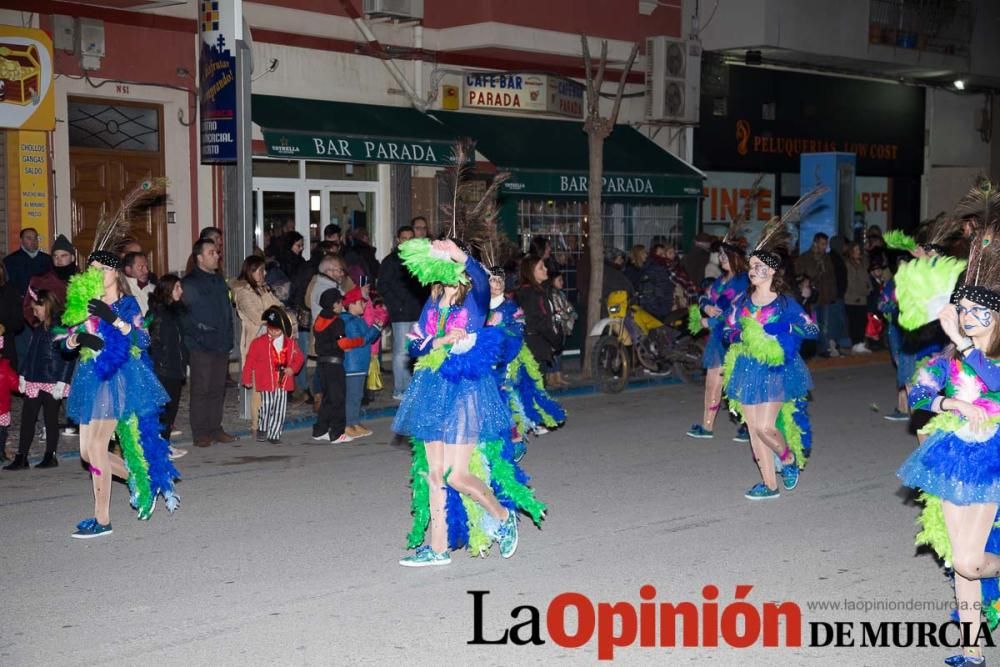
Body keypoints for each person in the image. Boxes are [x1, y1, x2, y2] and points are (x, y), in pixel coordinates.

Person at [895, 182, 1000, 666]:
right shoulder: (950, 359)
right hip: (953, 453)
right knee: (959, 565)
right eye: (966, 311)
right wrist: (949, 406)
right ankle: (972, 651)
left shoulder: (985, 359)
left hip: (991, 459)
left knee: (969, 560)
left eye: (981, 313)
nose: (970, 319)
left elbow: (992, 379)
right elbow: (917, 391)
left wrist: (962, 342)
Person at [394, 238, 545, 566]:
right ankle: (438, 548)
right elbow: (417, 344)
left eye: (449, 262)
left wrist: (458, 252)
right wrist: (440, 339)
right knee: (432, 474)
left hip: (466, 391)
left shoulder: (474, 298)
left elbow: (477, 273)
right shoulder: (433, 300)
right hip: (432, 388)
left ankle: (503, 517)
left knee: (455, 475)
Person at [64, 247, 179, 538]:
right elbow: (65, 340)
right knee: (87, 453)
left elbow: (141, 338)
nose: (98, 274)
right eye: (94, 269)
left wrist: (113, 318)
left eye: (103, 268)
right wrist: (79, 338)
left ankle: (102, 519)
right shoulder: (86, 300)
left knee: (99, 448)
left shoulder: (127, 304)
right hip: (90, 377)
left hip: (118, 378)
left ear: (115, 272)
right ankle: (143, 480)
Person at [723, 211, 818, 500]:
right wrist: (736, 334)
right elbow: (727, 328)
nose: (753, 271)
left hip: (776, 369)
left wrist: (787, 326)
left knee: (766, 427)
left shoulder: (786, 303)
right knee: (753, 430)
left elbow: (812, 329)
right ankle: (769, 484)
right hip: (747, 366)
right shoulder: (742, 301)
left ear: (773, 271)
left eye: (759, 266)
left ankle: (787, 460)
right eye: (751, 266)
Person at [488, 266, 566, 449]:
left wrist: (502, 348)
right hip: (486, 363)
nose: (495, 285)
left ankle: (514, 439)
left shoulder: (510, 307)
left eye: (499, 281)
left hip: (508, 362)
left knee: (509, 398)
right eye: (491, 281)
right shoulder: (479, 308)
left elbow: (517, 333)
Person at [4, 290, 74, 470]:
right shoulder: (38, 329)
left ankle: (50, 455)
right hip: (34, 379)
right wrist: (23, 374)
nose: (34, 313)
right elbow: (30, 355)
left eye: (37, 309)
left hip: (52, 380)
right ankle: (22, 456)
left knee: (50, 419)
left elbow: (68, 356)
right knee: (28, 417)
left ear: (46, 306)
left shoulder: (61, 328)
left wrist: (62, 381)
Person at [687, 243, 750, 440]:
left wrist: (712, 320)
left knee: (738, 384)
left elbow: (736, 310)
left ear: (736, 257)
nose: (722, 257)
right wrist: (706, 307)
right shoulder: (719, 281)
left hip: (736, 336)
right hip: (717, 338)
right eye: (720, 254)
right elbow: (703, 296)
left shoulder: (744, 281)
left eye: (726, 254)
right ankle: (707, 427)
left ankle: (748, 425)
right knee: (712, 382)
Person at [182, 238, 237, 448]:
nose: (217, 256)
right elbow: (186, 317)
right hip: (201, 345)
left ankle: (215, 427)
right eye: (212, 252)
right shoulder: (191, 282)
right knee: (201, 389)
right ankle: (201, 432)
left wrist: (228, 336)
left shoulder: (218, 280)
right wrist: (199, 336)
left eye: (217, 252)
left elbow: (226, 312)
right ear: (200, 257)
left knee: (217, 388)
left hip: (220, 343)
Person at [232, 255, 294, 432]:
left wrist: (267, 296)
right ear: (251, 272)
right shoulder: (244, 293)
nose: (264, 274)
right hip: (256, 343)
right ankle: (257, 424)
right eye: (261, 270)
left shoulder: (262, 290)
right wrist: (275, 313)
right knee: (260, 387)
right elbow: (258, 317)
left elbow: (279, 306)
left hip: (273, 341)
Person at [241, 306, 304, 444]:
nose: (273, 332)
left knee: (280, 408)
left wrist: (292, 369)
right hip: (266, 380)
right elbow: (249, 361)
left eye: (277, 329)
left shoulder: (290, 344)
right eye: (271, 329)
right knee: (266, 405)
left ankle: (274, 434)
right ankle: (262, 428)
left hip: (283, 380)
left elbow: (299, 359)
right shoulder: (258, 343)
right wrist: (246, 378)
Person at [377, 225, 427, 400]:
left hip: (419, 312)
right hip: (402, 313)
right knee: (400, 352)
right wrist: (397, 305)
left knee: (417, 350)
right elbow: (383, 286)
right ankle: (400, 389)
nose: (407, 241)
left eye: (410, 238)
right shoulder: (391, 261)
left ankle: (412, 387)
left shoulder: (419, 259)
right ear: (399, 240)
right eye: (404, 238)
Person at [147, 274, 189, 460]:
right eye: (177, 287)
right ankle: (159, 448)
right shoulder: (158, 313)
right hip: (163, 370)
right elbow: (153, 343)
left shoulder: (176, 311)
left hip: (175, 367)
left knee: (171, 411)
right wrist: (158, 366)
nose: (181, 291)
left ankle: (164, 444)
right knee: (163, 412)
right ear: (168, 290)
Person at [311, 288, 356, 444]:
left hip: (322, 364)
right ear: (334, 304)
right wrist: (359, 341)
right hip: (334, 364)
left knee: (328, 399)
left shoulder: (319, 320)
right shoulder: (337, 322)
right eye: (339, 301)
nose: (341, 304)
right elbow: (342, 343)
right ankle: (337, 433)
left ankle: (320, 430)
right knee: (337, 399)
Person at [340, 287, 384, 439]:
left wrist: (375, 329)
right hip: (353, 365)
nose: (364, 306)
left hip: (358, 364)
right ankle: (347, 424)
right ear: (351, 304)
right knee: (352, 396)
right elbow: (362, 340)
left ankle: (354, 422)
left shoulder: (356, 320)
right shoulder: (349, 322)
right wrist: (375, 328)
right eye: (361, 303)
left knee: (357, 396)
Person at [517, 255, 562, 389]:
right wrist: (555, 340)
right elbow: (538, 322)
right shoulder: (531, 293)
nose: (545, 269)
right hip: (534, 347)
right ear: (531, 272)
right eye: (541, 268)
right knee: (535, 389)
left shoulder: (536, 290)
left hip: (536, 346)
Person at [795, 232, 839, 357]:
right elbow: (802, 275)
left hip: (825, 297)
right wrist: (817, 266)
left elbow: (831, 277)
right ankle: (811, 349)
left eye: (826, 244)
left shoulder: (827, 258)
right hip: (812, 298)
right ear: (815, 243)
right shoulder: (805, 258)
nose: (825, 247)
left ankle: (823, 349)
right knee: (812, 324)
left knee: (824, 325)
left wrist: (832, 294)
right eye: (822, 244)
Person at [23, 234, 77, 328]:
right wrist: (40, 326)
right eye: (55, 256)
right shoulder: (40, 281)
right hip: (49, 332)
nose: (59, 260)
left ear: (72, 258)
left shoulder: (83, 280)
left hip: (78, 332)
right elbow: (28, 309)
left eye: (63, 256)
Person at [547, 268, 576, 389]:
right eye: (559, 280)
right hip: (555, 326)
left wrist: (570, 312)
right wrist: (568, 314)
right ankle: (552, 377)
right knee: (554, 353)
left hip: (561, 326)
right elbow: (559, 311)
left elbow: (568, 307)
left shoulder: (560, 294)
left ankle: (558, 376)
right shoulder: (553, 295)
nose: (562, 282)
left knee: (558, 353)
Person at [4, 227, 53, 299]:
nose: (33, 241)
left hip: (43, 302)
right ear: (21, 240)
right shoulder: (10, 261)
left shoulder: (47, 259)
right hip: (19, 303)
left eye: (35, 238)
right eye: (29, 238)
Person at [843, 242, 872, 354]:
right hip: (852, 298)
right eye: (855, 250)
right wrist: (864, 291)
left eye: (859, 250)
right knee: (854, 322)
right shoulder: (848, 265)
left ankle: (860, 343)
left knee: (862, 321)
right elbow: (851, 282)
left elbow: (866, 278)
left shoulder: (861, 264)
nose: (858, 252)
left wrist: (869, 288)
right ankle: (856, 343)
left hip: (862, 298)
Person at [0, 332, 17, 464]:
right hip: (3, 410)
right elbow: (15, 384)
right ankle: (1, 453)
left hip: (3, 409)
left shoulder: (5, 369)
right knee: (2, 433)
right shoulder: (5, 368)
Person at [123, 251, 155, 316]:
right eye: (141, 267)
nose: (146, 271)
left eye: (146, 266)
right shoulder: (123, 289)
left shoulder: (153, 288)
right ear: (128, 270)